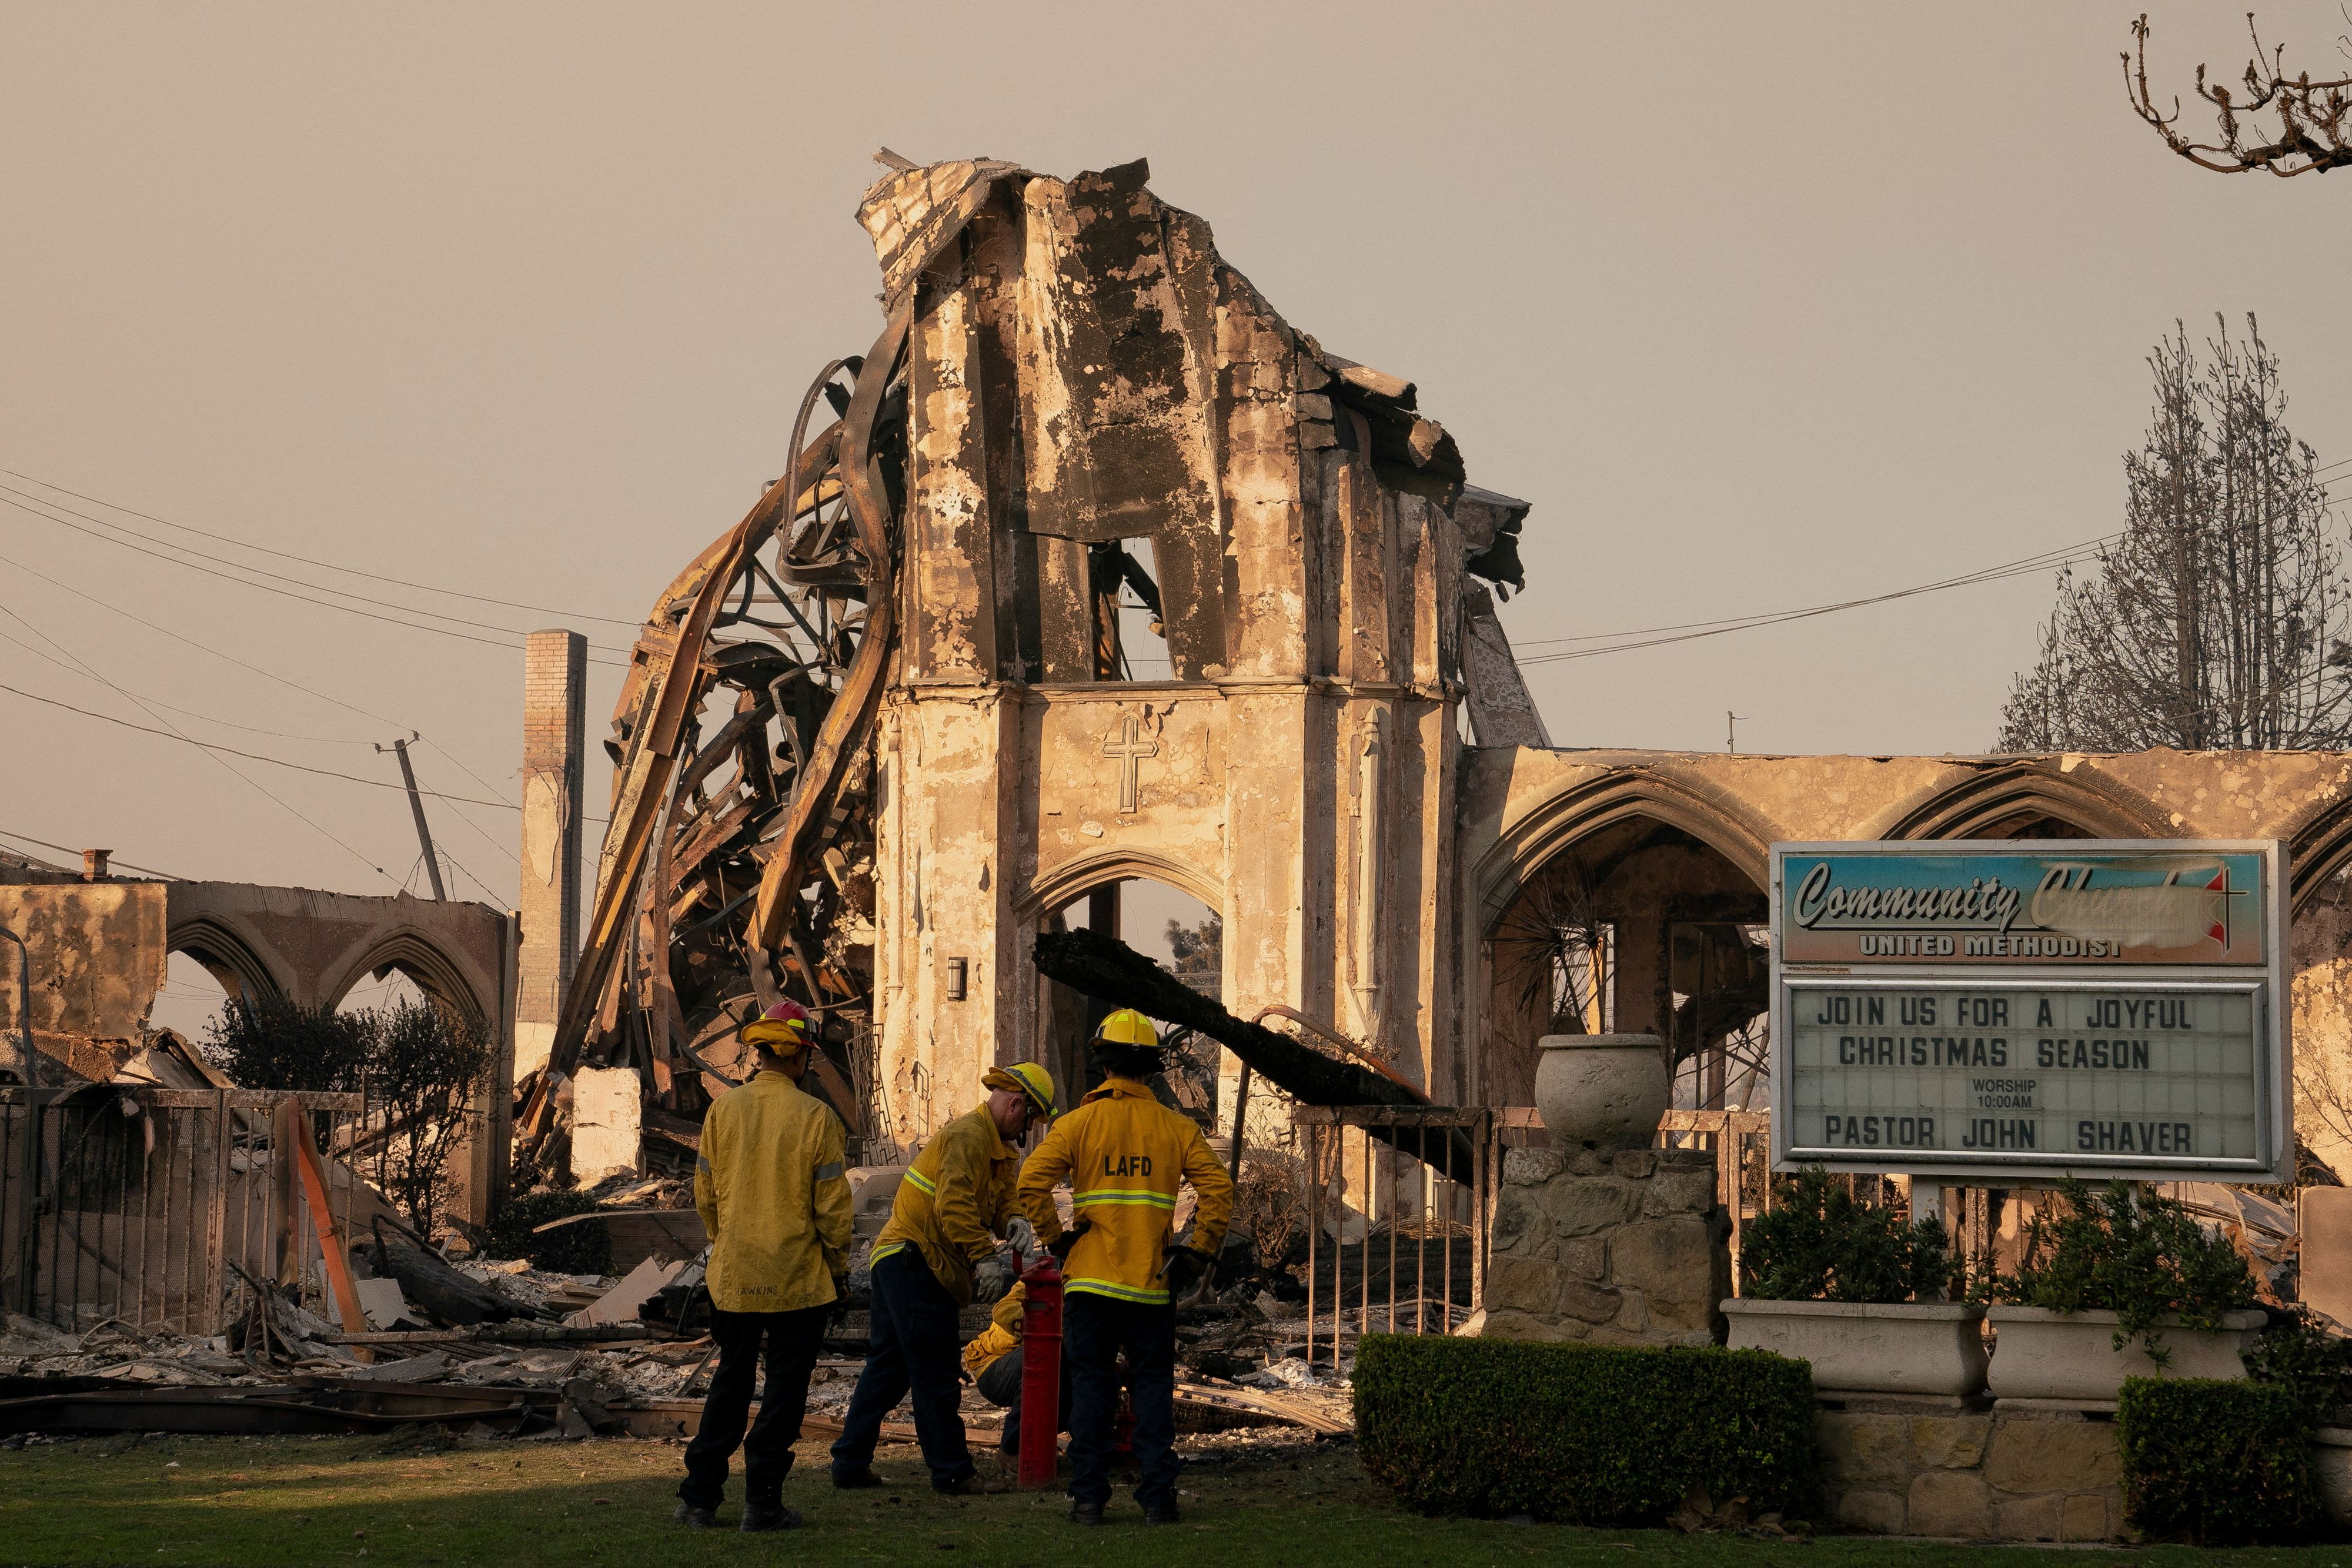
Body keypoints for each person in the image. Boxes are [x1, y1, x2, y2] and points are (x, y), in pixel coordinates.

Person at [1015, 1009, 1234, 1527]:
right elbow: (1219, 1189)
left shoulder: (1078, 1124)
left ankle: (1089, 1499)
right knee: (1153, 1390)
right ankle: (1160, 1499)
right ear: (1152, 1068)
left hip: (1090, 1284)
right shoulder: (1176, 1127)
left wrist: (1059, 1238)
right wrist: (1196, 1248)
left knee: (1091, 1389)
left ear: (1103, 1063)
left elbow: (1031, 1183)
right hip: (1152, 1286)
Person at [830, 1061, 1057, 1496]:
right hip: (917, 1262)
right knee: (935, 1371)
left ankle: (849, 1462)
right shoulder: (968, 1137)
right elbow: (954, 1206)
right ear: (1016, 1103)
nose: (1026, 1132)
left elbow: (1001, 1198)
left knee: (889, 1371)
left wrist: (1013, 1219)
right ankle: (953, 1471)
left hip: (902, 1261)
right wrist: (984, 1259)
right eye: (1029, 1121)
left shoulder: (995, 1148)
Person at [674, 998, 851, 1532]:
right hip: (800, 1281)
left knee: (729, 1385)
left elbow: (705, 1195)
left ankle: (700, 1499)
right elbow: (833, 1211)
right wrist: (837, 1267)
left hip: (735, 1276)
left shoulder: (722, 1111)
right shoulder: (817, 1117)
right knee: (783, 1395)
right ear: (798, 1056)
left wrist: (728, 1243)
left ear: (759, 1053)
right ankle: (763, 1502)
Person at [961, 1279, 1072, 1457]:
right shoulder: (1041, 1281)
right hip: (992, 1365)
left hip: (1031, 1360)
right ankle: (1012, 1451)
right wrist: (1044, 1320)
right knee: (1045, 1356)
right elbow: (1002, 1310)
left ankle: (1060, 1448)